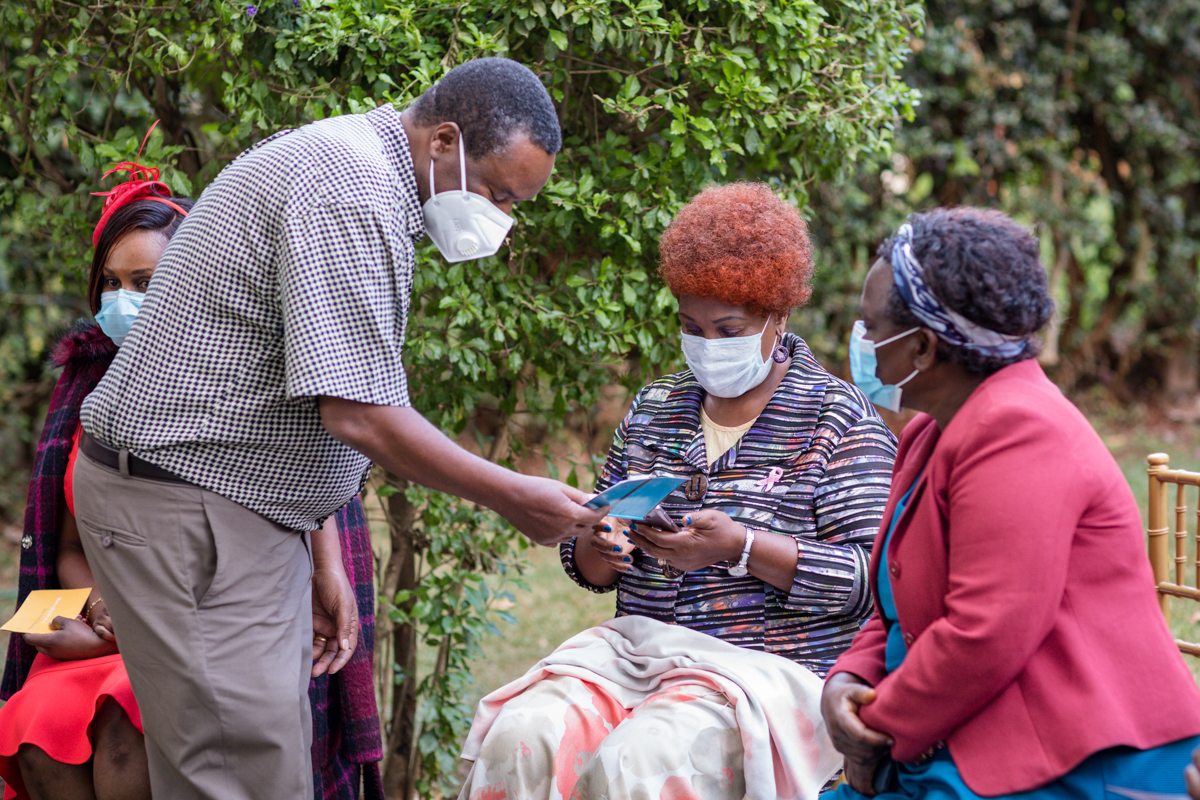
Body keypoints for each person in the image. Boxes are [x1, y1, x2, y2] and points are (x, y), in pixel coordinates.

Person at [71, 58, 605, 800]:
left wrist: (316, 547)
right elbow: (356, 411)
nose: (504, 219)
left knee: (258, 761)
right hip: (186, 509)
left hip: (239, 508)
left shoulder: (361, 166)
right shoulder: (351, 187)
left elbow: (293, 386)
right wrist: (514, 496)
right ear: (445, 140)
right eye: (498, 193)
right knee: (237, 776)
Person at [458, 182, 898, 800]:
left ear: (779, 315)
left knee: (640, 764)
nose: (708, 347)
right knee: (522, 735)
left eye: (729, 328)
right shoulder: (657, 408)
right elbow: (588, 559)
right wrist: (604, 543)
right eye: (691, 326)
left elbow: (868, 579)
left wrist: (741, 547)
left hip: (764, 672)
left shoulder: (836, 420)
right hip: (638, 655)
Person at [0, 150, 386, 800]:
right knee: (38, 732)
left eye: (148, 283)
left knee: (127, 742)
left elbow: (305, 493)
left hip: (206, 634)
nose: (127, 303)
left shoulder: (238, 381)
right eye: (113, 285)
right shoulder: (87, 391)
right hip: (100, 628)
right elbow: (67, 545)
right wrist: (101, 613)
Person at [821, 207, 1200, 800]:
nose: (860, 342)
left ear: (922, 347)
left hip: (1068, 755)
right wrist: (849, 677)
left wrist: (876, 733)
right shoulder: (930, 432)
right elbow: (897, 608)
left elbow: (984, 632)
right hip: (964, 735)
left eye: (869, 328)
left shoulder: (1020, 430)